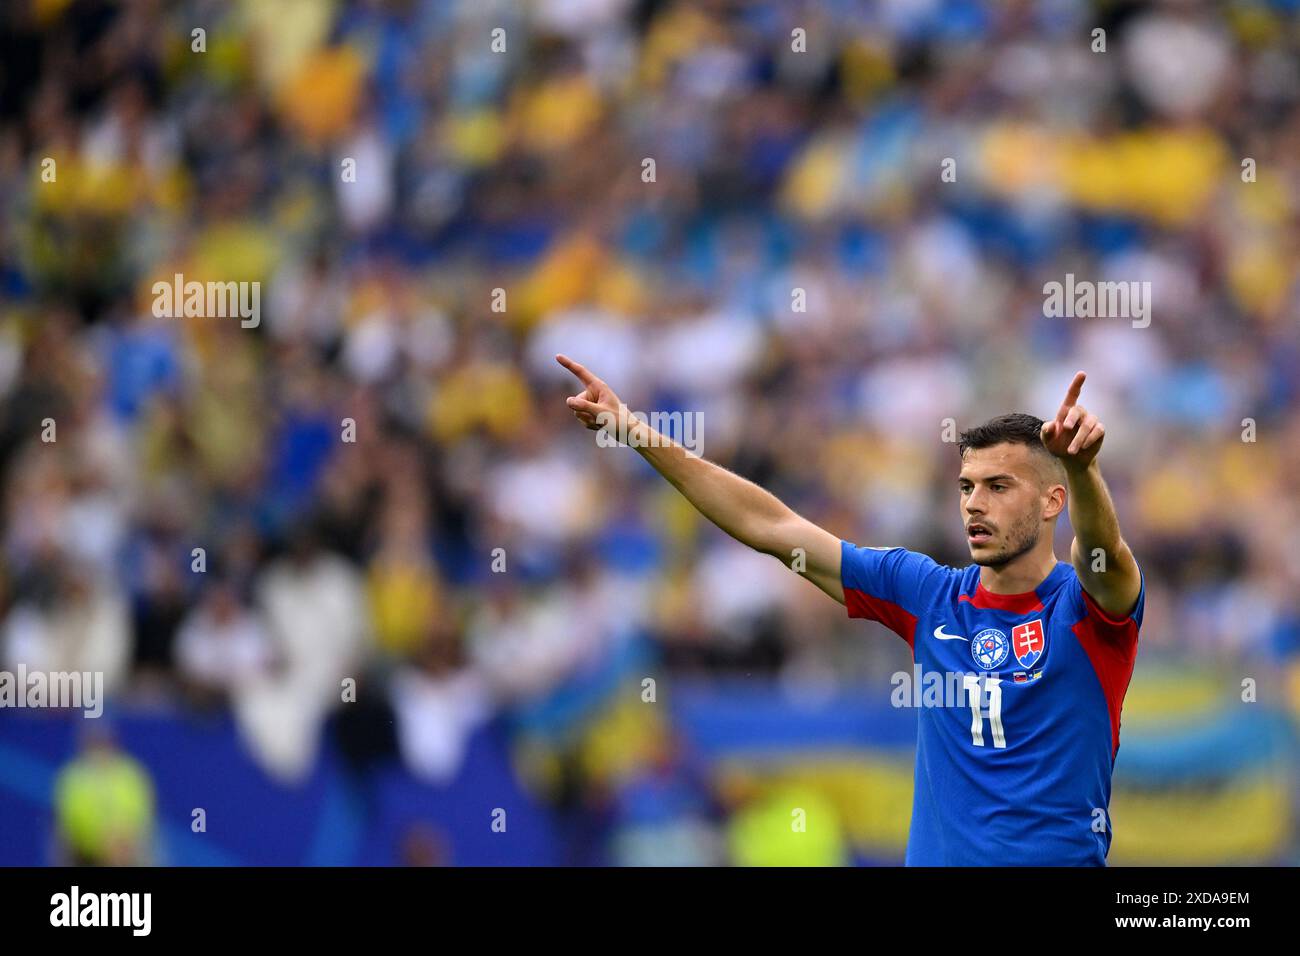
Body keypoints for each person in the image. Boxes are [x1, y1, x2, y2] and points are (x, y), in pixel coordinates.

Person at [557, 355, 1144, 866]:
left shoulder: (1085, 610)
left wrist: (1083, 467)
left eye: (998, 486)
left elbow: (1100, 552)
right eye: (966, 487)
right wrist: (633, 431)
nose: (974, 504)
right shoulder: (928, 594)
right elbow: (771, 526)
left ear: (1052, 501)